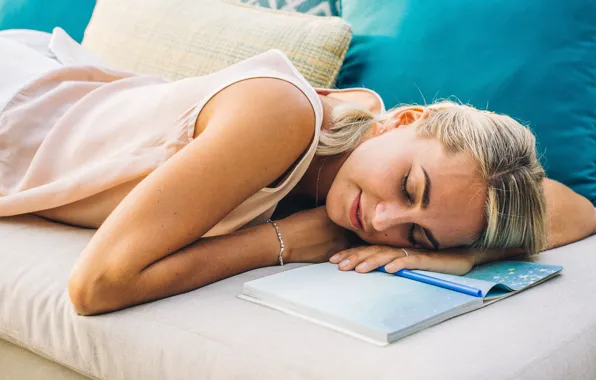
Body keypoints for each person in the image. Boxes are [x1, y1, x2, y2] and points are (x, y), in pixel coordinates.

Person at [1, 29, 594, 316]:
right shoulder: (279, 115)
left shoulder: (361, 161)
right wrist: (283, 242)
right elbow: (96, 287)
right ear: (404, 118)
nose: (382, 219)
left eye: (416, 233)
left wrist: (464, 255)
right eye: (410, 188)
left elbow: (578, 208)